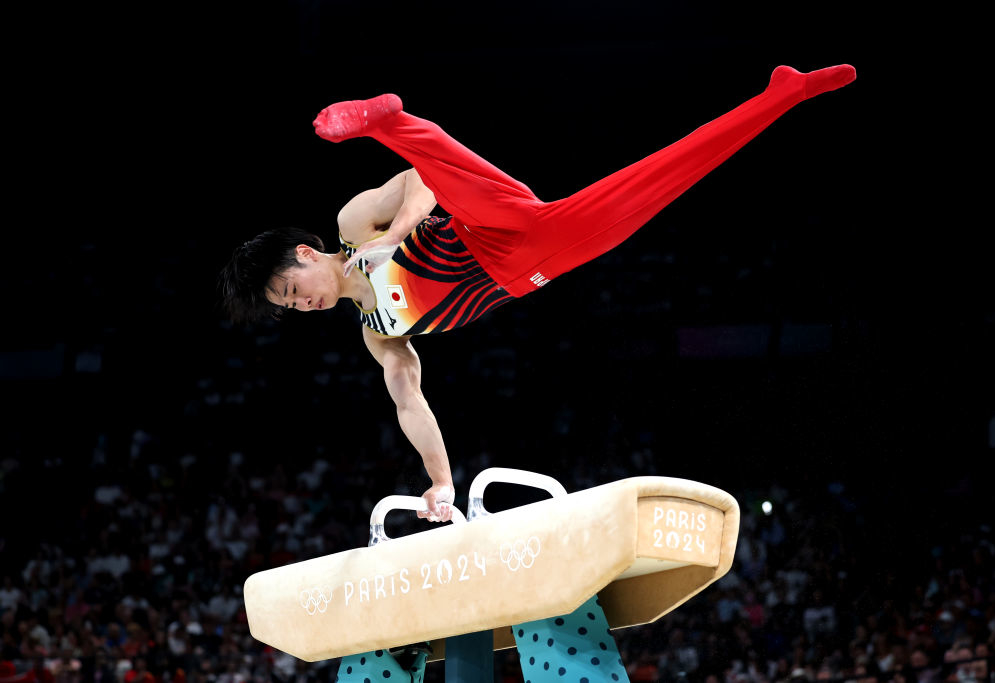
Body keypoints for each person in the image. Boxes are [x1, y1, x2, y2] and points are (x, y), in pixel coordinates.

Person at [219, 64, 856, 521]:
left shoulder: (355, 224)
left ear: (304, 254)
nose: (302, 305)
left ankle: (389, 119)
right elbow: (408, 400)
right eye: (291, 308)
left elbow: (421, 180)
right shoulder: (376, 331)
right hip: (531, 262)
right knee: (667, 174)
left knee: (452, 176)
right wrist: (440, 482)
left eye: (291, 288)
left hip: (485, 220)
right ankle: (783, 96)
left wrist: (400, 233)